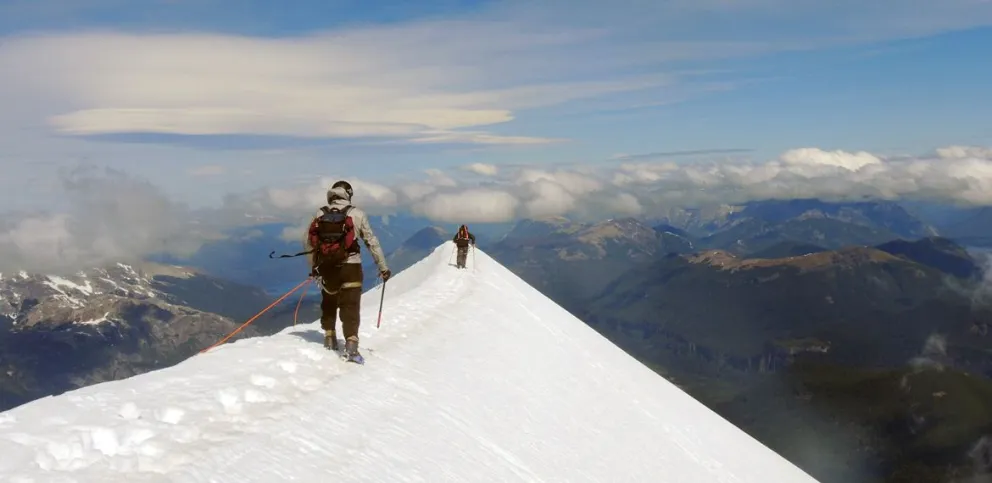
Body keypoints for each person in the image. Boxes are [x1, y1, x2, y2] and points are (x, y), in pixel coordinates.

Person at [303, 180, 390, 360]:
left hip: (327, 267)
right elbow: (371, 242)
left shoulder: (320, 213)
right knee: (350, 305)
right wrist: (383, 268)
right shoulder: (357, 214)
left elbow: (309, 242)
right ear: (348, 194)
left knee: (329, 300)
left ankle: (329, 338)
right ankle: (351, 344)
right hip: (351, 266)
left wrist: (314, 267)